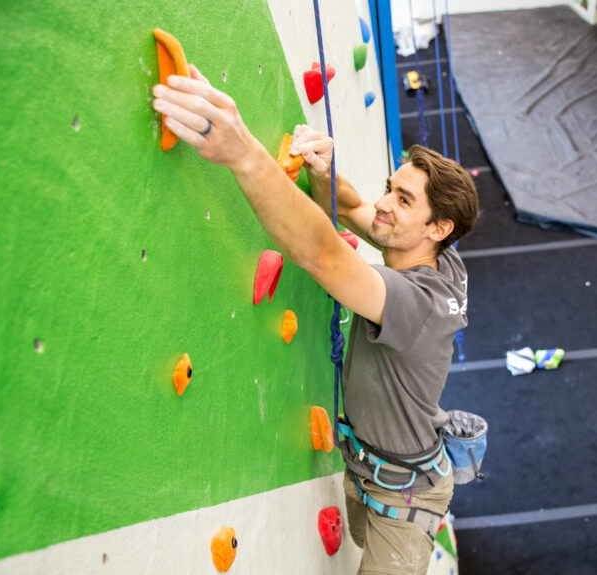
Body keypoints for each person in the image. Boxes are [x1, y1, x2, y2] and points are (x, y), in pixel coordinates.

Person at [152, 66, 478, 574]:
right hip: (375, 469)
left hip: (407, 497)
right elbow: (350, 209)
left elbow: (326, 257)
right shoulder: (440, 256)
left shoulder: (418, 303)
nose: (384, 204)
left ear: (440, 227)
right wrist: (323, 173)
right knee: (358, 536)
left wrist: (243, 153)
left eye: (403, 199)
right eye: (390, 188)